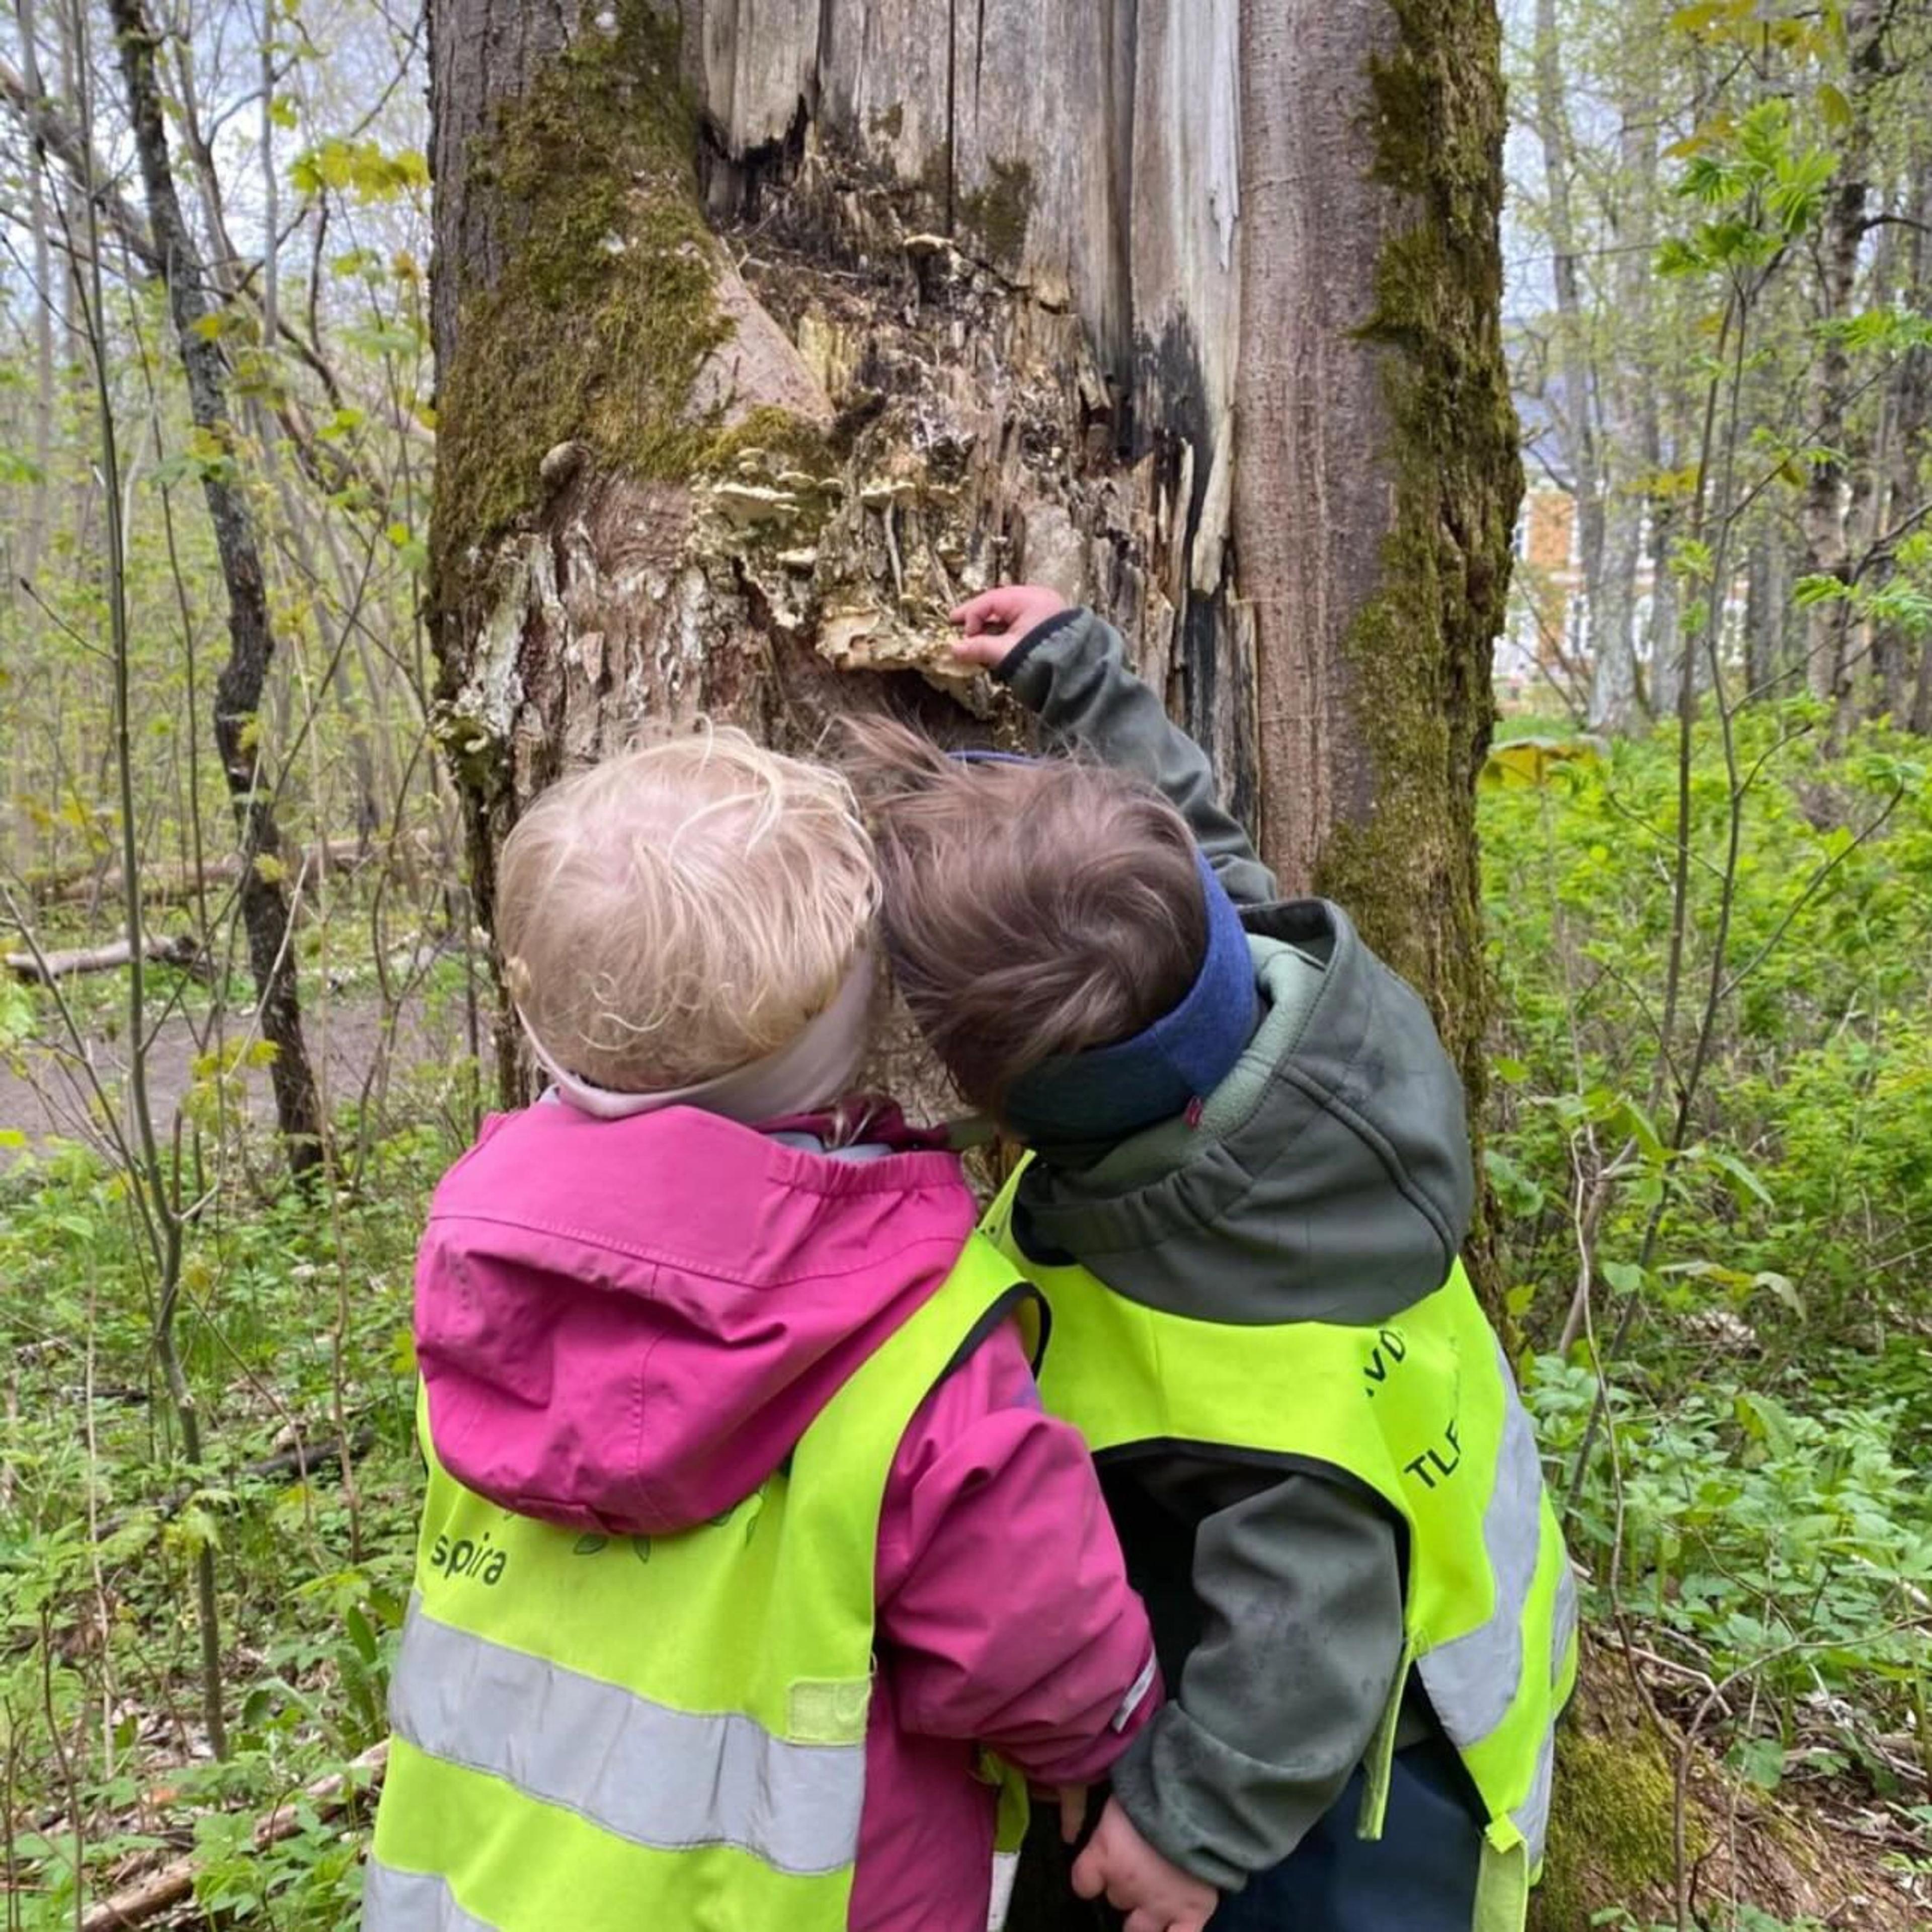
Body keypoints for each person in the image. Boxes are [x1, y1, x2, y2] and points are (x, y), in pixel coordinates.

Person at [845, 588, 1578, 1932]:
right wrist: (1076, 674)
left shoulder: (1261, 1394)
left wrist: (1186, 1832)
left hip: (1374, 1778)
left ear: (1022, 1118)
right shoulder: (1262, 989)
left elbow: (1310, 1639)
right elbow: (1192, 825)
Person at [365, 728, 1161, 1932]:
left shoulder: (484, 1263)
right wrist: (1106, 1735)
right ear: (849, 1018)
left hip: (486, 1892)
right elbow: (1029, 1626)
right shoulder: (911, 1328)